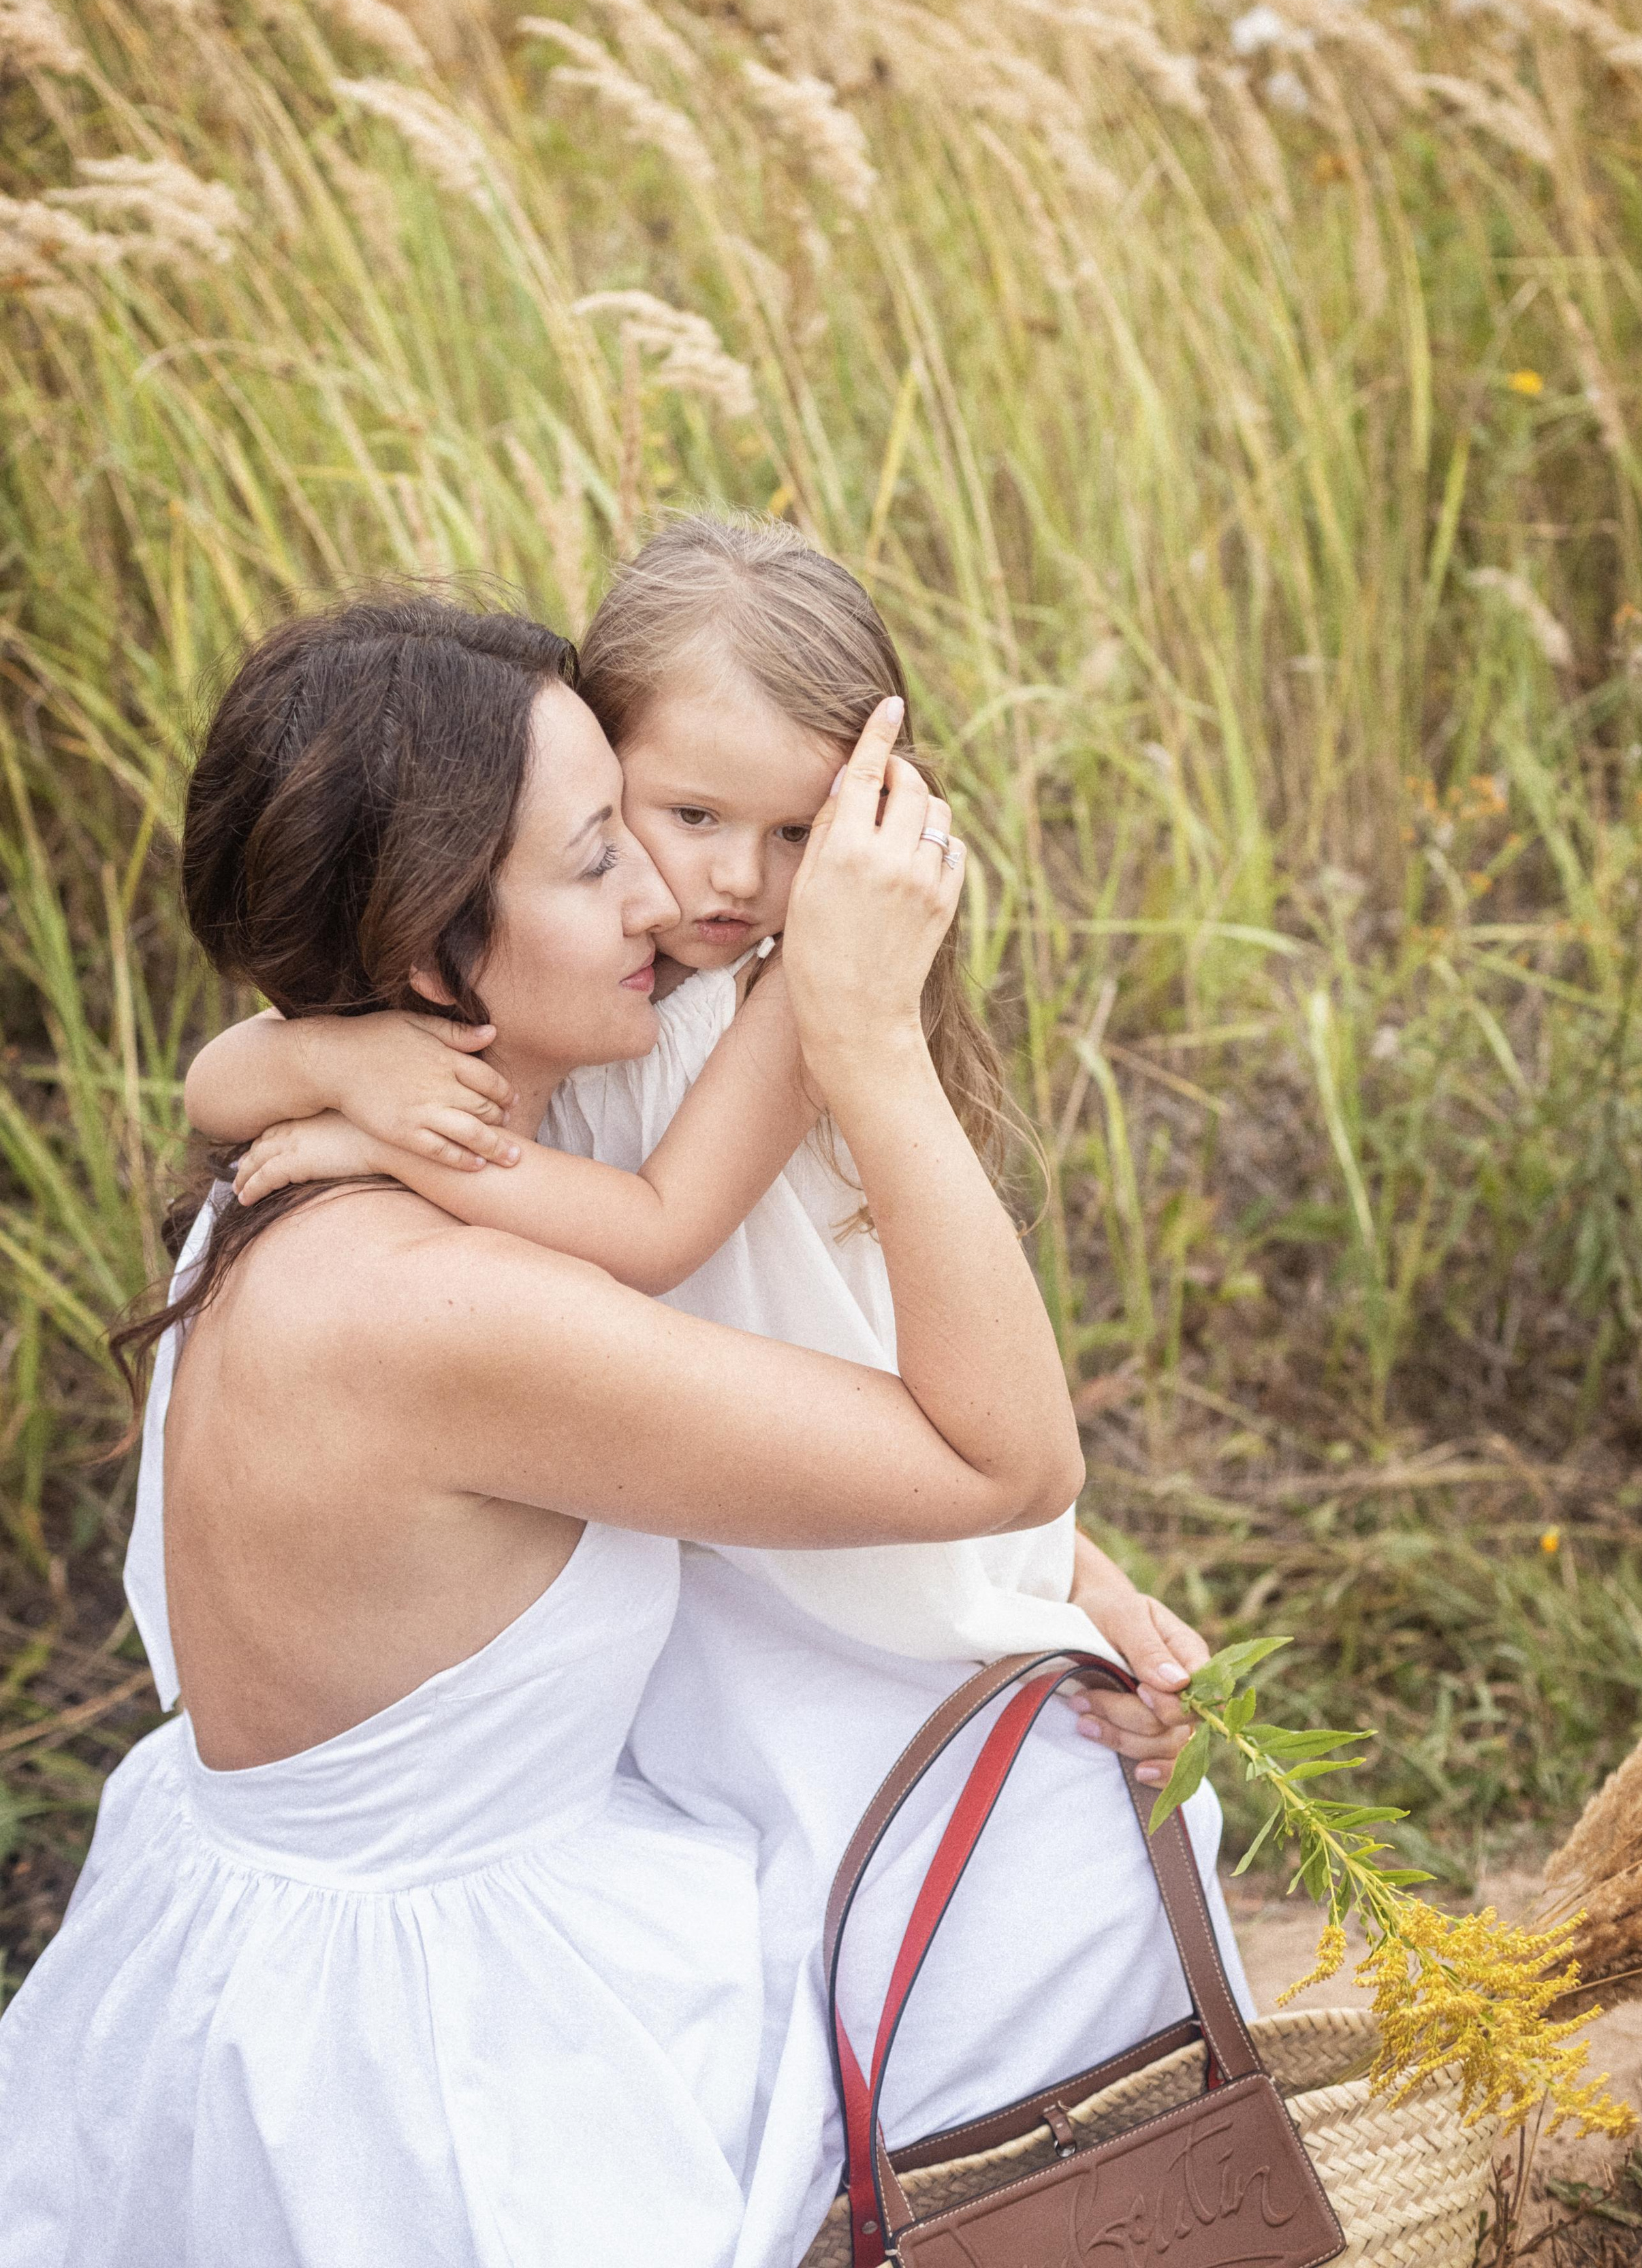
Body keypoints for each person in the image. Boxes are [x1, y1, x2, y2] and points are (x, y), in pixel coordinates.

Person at [185, 527, 1251, 2268]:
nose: (722, 887)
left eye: (794, 835)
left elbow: (745, 1289)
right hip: (638, 1570)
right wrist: (312, 1064)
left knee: (1070, 1841)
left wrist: (1066, 1571)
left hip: (774, 1517)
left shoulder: (747, 1009)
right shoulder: (498, 1094)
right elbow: (223, 1077)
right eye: (653, 829)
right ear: (570, 796)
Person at [0, 594, 1087, 2268]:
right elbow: (997, 1460)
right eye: (603, 857)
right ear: (435, 948)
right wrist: (864, 1033)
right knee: (1054, 1932)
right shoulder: (452, 1309)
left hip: (248, 1924)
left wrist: (324, 1057)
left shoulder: (312, 1159)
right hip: (427, 2054)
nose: (679, 895)